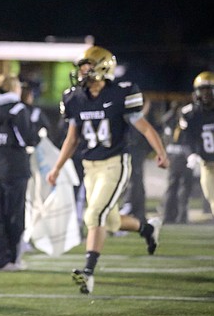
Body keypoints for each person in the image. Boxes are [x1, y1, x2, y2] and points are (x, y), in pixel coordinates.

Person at [46, 46, 169, 295]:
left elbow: (143, 127)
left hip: (115, 163)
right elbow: (72, 139)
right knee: (110, 221)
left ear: (102, 68)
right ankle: (147, 228)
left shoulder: (121, 93)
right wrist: (57, 167)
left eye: (87, 66)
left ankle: (88, 272)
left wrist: (160, 151)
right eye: (81, 67)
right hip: (90, 166)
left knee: (93, 216)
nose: (81, 72)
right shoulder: (74, 98)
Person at [0, 73, 40, 271]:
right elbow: (29, 139)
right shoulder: (17, 108)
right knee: (14, 215)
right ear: (14, 88)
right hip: (15, 168)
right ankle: (12, 259)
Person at [179, 71, 214, 217]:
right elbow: (187, 138)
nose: (205, 94)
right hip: (207, 165)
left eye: (209, 89)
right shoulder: (190, 113)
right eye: (202, 90)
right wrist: (191, 154)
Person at [160, 100, 193, 224]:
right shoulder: (183, 120)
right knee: (183, 188)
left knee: (173, 187)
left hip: (173, 156)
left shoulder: (170, 120)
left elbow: (164, 122)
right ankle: (181, 216)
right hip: (184, 156)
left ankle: (169, 216)